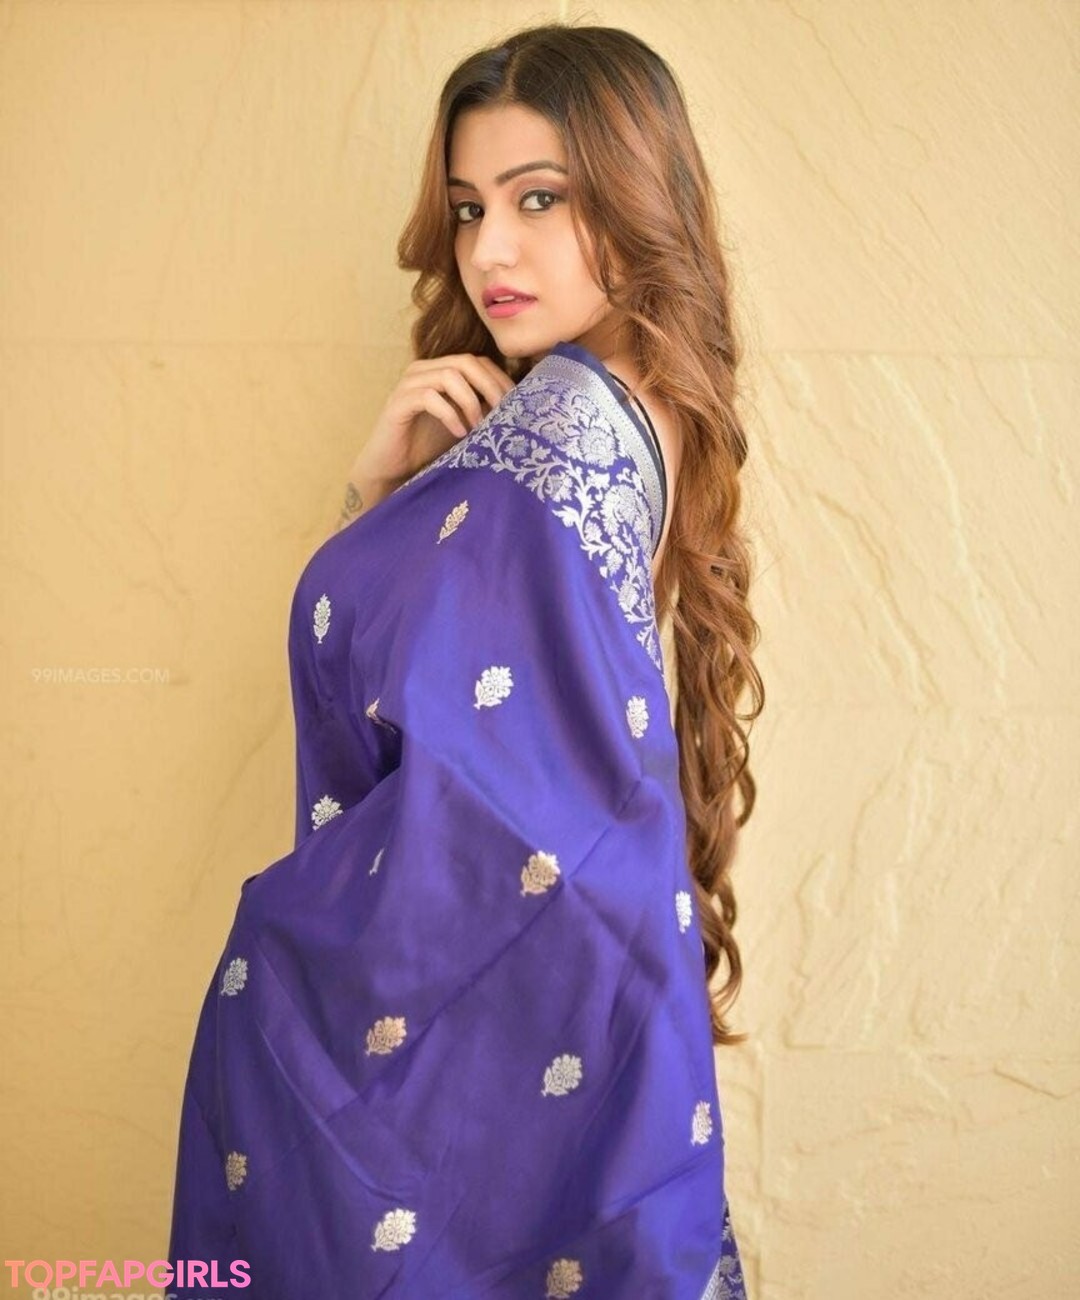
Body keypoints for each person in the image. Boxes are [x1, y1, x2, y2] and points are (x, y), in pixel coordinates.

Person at [167, 21, 762, 1299]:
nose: (490, 250)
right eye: (468, 207)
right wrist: (384, 492)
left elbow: (495, 806)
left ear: (637, 195)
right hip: (607, 1025)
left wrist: (368, 514)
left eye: (540, 199)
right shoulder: (636, 409)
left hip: (490, 1050)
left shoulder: (559, 431)